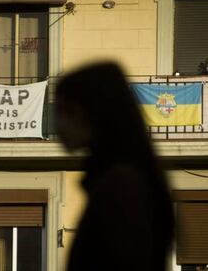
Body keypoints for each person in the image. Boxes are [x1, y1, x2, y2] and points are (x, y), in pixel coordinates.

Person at [56, 62, 174, 271]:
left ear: (89, 112)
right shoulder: (122, 178)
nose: (58, 124)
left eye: (65, 110)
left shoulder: (121, 185)